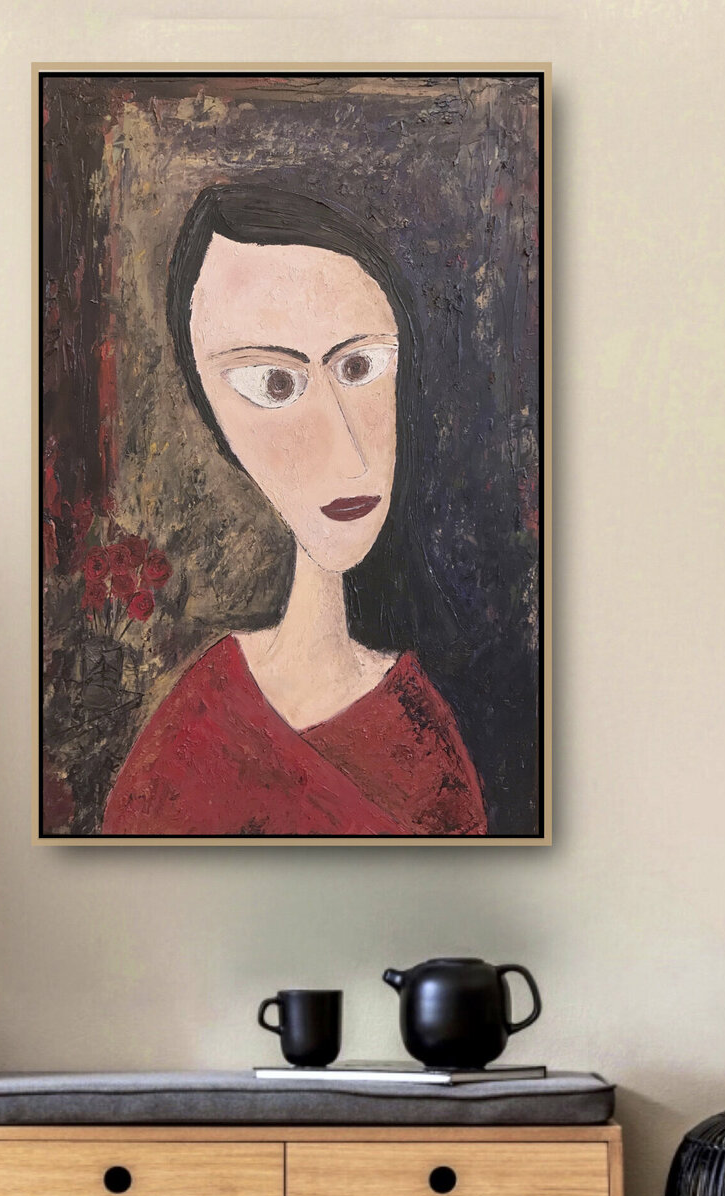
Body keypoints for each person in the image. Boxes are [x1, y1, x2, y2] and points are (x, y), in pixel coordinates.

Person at [102, 185, 486, 837]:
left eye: (359, 366)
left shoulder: (429, 737)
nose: (346, 454)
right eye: (274, 384)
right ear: (216, 422)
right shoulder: (188, 742)